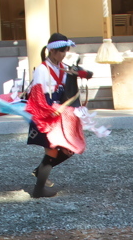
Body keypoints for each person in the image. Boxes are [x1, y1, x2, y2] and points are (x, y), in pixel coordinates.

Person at [27, 33, 93, 198]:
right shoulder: (42, 69)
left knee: (69, 148)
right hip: (46, 112)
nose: (64, 54)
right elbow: (37, 95)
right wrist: (49, 111)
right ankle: (38, 189)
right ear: (53, 51)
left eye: (65, 51)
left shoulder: (63, 67)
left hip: (60, 111)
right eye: (62, 51)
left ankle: (40, 171)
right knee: (52, 151)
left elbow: (87, 75)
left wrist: (81, 72)